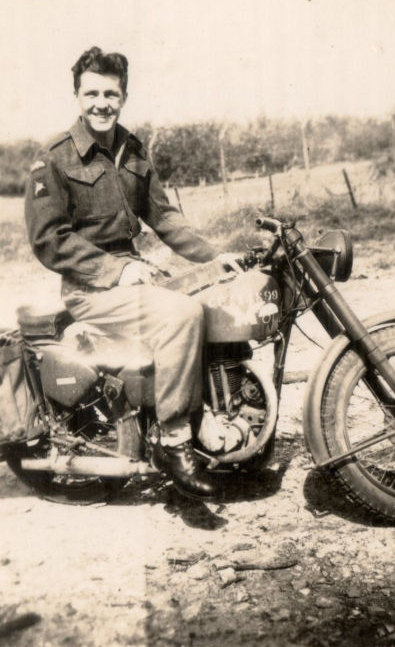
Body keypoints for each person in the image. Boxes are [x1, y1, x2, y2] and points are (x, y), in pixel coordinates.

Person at [25, 46, 240, 500]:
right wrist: (116, 269)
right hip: (89, 289)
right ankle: (175, 441)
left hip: (134, 276)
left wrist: (213, 257)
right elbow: (49, 240)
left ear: (124, 97)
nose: (101, 104)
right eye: (92, 94)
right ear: (77, 96)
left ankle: (208, 413)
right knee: (181, 315)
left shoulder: (132, 149)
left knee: (209, 302)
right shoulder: (55, 157)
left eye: (111, 94)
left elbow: (165, 217)